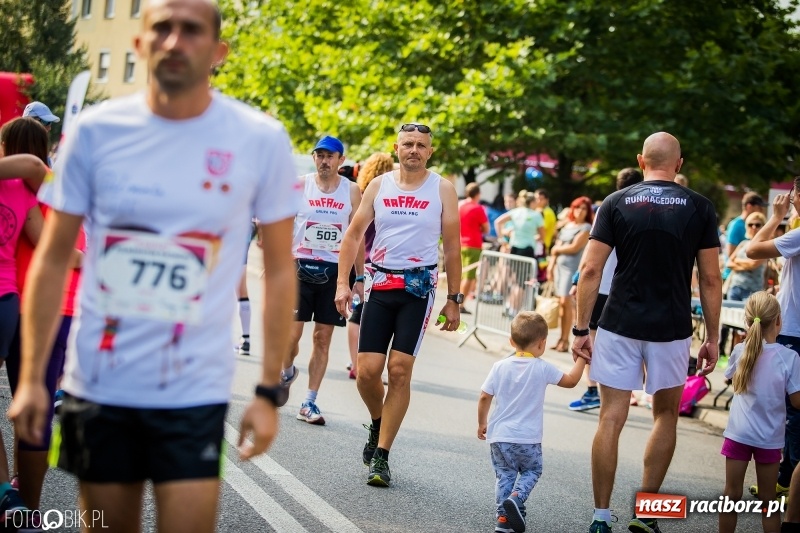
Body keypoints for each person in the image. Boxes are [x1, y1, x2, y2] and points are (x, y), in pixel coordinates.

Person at [7, 2, 300, 533]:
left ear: (217, 52)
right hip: (97, 386)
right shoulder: (96, 131)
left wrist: (266, 390)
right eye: (161, 28)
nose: (174, 41)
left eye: (190, 30)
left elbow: (279, 270)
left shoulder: (259, 138)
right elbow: (52, 259)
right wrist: (30, 379)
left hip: (195, 390)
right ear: (141, 44)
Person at [574, 132, 721, 533]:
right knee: (665, 415)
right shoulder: (701, 207)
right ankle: (647, 510)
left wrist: (580, 328)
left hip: (619, 323)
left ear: (641, 161)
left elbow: (589, 271)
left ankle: (600, 517)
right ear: (680, 163)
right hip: (671, 328)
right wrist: (713, 337)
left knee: (610, 417)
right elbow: (710, 278)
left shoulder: (616, 203)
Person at [335, 122, 461, 488]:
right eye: (408, 143)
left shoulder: (443, 189)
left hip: (418, 288)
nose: (414, 150)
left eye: (422, 145)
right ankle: (377, 422)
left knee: (400, 370)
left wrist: (454, 300)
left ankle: (382, 457)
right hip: (380, 284)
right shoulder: (379, 185)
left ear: (430, 151)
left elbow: (453, 246)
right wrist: (344, 283)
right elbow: (354, 233)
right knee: (368, 371)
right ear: (396, 147)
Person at [478, 311, 586, 533]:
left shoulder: (499, 366)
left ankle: (503, 520)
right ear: (542, 343)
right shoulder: (542, 367)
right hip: (528, 438)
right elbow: (572, 381)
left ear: (511, 341)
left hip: (500, 437)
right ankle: (517, 498)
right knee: (532, 471)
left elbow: (484, 396)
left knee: (505, 476)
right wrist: (583, 358)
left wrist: (482, 423)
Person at [283, 135, 362, 425]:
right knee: (290, 337)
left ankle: (309, 401)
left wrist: (360, 277)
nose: (324, 161)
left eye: (330, 156)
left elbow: (357, 237)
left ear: (341, 160)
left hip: (334, 272)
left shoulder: (352, 192)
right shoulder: (299, 185)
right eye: (320, 155)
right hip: (298, 266)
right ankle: (287, 370)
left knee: (322, 338)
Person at [719, 292, 800, 533]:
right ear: (778, 321)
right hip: (769, 440)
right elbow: (797, 402)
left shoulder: (739, 351)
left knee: (731, 495)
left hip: (738, 435)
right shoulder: (790, 358)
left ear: (747, 321)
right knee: (768, 502)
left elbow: (733, 381)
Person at [568, 168, 643, 412]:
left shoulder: (609, 207)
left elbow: (591, 257)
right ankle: (620, 390)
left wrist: (577, 280)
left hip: (601, 286)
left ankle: (593, 390)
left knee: (588, 338)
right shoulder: (646, 212)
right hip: (628, 289)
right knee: (622, 342)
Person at [746, 181, 800, 514]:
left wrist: (775, 217)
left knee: (791, 412)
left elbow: (751, 250)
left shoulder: (797, 233)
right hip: (793, 329)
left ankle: (789, 483)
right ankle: (785, 479)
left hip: (793, 331)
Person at [346, 152, 395, 379]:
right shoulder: (385, 197)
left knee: (357, 314)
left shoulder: (361, 195)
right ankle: (360, 364)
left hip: (358, 260)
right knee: (363, 314)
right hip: (374, 263)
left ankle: (355, 361)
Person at [548, 196, 593, 353]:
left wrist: (556, 250)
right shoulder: (568, 225)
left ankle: (566, 340)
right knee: (561, 304)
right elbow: (557, 245)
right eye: (578, 207)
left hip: (572, 268)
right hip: (559, 268)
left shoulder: (586, 227)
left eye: (584, 208)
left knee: (566, 302)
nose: (580, 211)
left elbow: (574, 247)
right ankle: (561, 337)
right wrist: (551, 264)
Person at [459, 182, 488, 314]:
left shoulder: (459, 205)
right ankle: (459, 305)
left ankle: (455, 301)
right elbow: (486, 228)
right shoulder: (478, 208)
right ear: (478, 194)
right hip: (473, 244)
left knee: (460, 274)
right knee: (469, 276)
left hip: (459, 242)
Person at [725, 212, 767, 301]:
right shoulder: (743, 244)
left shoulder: (765, 245)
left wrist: (736, 261)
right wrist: (747, 265)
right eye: (750, 224)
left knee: (751, 315)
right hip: (735, 287)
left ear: (763, 227)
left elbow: (753, 264)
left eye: (757, 225)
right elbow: (729, 263)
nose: (754, 227)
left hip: (753, 291)